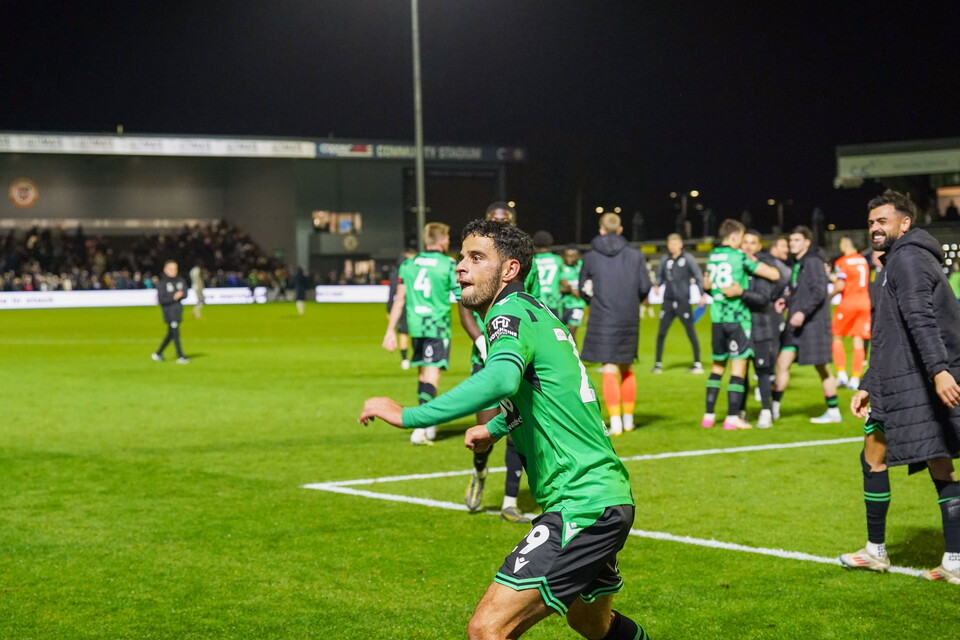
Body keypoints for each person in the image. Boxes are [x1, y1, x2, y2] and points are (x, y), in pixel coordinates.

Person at [359, 219, 649, 639]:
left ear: (509, 270)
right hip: (604, 495)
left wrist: (410, 415)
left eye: (476, 258)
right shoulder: (537, 312)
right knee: (591, 621)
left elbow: (500, 381)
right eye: (461, 256)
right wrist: (497, 426)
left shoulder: (507, 314)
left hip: (581, 504)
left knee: (487, 630)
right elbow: (551, 394)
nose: (461, 267)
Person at [842, 189, 960, 584]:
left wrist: (939, 370)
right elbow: (887, 333)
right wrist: (867, 383)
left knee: (915, 462)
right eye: (872, 222)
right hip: (900, 379)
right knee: (930, 462)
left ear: (904, 223)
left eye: (883, 221)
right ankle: (948, 559)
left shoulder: (907, 259)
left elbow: (919, 319)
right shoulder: (894, 261)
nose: (875, 228)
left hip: (915, 381)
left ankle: (881, 551)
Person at [460, 202, 529, 524]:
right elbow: (464, 307)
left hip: (516, 354)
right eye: (494, 219)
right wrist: (480, 342)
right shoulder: (475, 257)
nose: (498, 221)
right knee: (484, 430)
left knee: (516, 427)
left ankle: (510, 500)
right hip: (485, 358)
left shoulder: (527, 263)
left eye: (504, 220)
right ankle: (479, 471)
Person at [383, 223, 460, 445]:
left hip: (416, 327)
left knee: (423, 375)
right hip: (436, 326)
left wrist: (390, 331)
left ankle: (428, 421)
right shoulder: (448, 264)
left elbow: (400, 299)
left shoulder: (409, 264)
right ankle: (422, 423)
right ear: (443, 241)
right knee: (432, 375)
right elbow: (461, 296)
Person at [701, 220, 781, 430]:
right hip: (737, 318)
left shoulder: (712, 256)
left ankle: (708, 416)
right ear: (735, 237)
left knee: (718, 366)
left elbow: (710, 285)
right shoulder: (739, 257)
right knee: (739, 367)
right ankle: (732, 417)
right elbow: (774, 274)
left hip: (716, 318)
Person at [579, 213, 652, 436]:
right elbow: (645, 286)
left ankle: (616, 422)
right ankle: (629, 420)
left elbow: (583, 287)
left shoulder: (590, 256)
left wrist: (596, 302)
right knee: (626, 367)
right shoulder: (635, 254)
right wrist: (631, 304)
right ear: (620, 229)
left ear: (601, 230)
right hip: (628, 316)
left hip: (602, 317)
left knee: (609, 369)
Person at [772, 226, 840, 423]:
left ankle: (833, 411)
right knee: (782, 363)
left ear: (806, 243)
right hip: (796, 325)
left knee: (822, 367)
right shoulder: (798, 263)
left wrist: (803, 312)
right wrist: (787, 300)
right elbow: (799, 290)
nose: (792, 243)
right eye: (791, 240)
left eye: (796, 240)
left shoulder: (812, 261)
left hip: (813, 325)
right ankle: (774, 409)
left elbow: (820, 292)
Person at [739, 230, 789, 428]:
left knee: (763, 371)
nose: (748, 246)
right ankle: (739, 411)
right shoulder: (736, 266)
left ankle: (766, 411)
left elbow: (763, 298)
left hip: (760, 325)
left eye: (753, 242)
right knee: (740, 372)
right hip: (740, 327)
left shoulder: (763, 267)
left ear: (759, 246)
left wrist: (740, 292)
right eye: (745, 242)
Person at [652, 233, 705, 374]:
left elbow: (698, 276)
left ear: (681, 245)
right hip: (668, 301)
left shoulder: (688, 259)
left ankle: (697, 363)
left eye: (675, 244)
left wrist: (702, 294)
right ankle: (657, 364)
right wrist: (657, 285)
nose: (672, 247)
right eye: (670, 244)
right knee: (661, 333)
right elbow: (660, 277)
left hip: (683, 301)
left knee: (690, 332)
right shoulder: (665, 260)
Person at [829, 236, 872, 390]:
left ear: (847, 243)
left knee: (836, 336)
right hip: (864, 302)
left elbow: (841, 285)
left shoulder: (842, 262)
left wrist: (828, 296)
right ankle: (855, 378)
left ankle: (841, 375)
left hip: (849, 302)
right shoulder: (863, 261)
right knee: (858, 340)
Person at [152, 260, 189, 364]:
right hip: (169, 313)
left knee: (171, 334)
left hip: (178, 311)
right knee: (176, 334)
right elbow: (161, 299)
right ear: (165, 270)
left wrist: (181, 295)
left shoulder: (180, 280)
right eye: (171, 269)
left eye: (175, 269)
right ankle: (181, 356)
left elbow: (185, 293)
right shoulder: (162, 283)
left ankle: (158, 353)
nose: (173, 271)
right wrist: (173, 297)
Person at [387, 249, 416, 368]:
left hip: (402, 305)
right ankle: (418, 357)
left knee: (403, 332)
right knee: (416, 331)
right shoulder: (414, 270)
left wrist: (389, 309)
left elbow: (392, 293)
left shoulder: (396, 272)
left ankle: (404, 360)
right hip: (415, 303)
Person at [530, 231, 565, 317]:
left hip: (536, 302)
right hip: (553, 302)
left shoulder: (532, 261)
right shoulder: (558, 260)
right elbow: (564, 282)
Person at [559, 244, 586, 343]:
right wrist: (571, 289)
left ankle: (575, 356)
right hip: (563, 304)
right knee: (563, 334)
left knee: (572, 330)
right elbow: (560, 287)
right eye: (567, 255)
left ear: (577, 256)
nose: (569, 258)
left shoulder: (582, 266)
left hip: (578, 304)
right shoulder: (561, 267)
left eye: (572, 255)